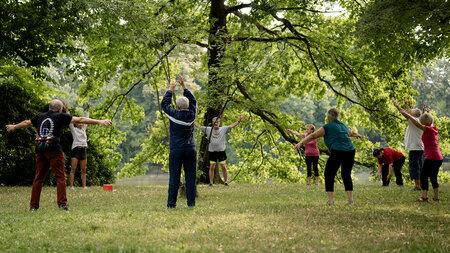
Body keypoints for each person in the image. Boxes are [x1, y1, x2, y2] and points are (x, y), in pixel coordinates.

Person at [5, 99, 112, 211]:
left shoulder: (40, 116)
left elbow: (27, 122)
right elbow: (80, 119)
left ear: (49, 108)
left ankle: (33, 206)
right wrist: (100, 121)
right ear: (60, 109)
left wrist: (14, 126)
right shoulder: (60, 116)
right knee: (60, 177)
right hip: (53, 149)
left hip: (40, 148)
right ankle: (62, 204)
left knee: (38, 178)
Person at [293, 108, 363, 205]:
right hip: (350, 150)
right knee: (346, 174)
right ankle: (350, 200)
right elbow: (352, 133)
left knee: (329, 174)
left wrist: (300, 143)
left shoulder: (327, 127)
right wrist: (358, 135)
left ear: (328, 117)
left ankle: (331, 201)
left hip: (338, 150)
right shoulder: (343, 126)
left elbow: (313, 136)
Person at [392, 98, 443, 202]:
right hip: (438, 157)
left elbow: (417, 122)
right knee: (433, 177)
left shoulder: (425, 128)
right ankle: (436, 198)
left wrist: (401, 109)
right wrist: (426, 113)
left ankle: (424, 196)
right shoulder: (434, 129)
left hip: (430, 157)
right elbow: (426, 120)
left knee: (423, 175)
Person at [161, 75, 197, 208]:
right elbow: (193, 101)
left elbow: (164, 105)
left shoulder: (174, 115)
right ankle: (191, 204)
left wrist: (170, 90)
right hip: (190, 149)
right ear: (187, 106)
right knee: (191, 178)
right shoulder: (192, 114)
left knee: (174, 178)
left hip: (176, 150)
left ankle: (171, 205)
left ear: (177, 106)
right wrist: (184, 87)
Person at [195, 115, 246, 186]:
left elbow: (232, 126)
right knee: (212, 166)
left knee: (223, 166)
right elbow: (198, 126)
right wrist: (192, 119)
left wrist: (239, 121)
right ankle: (211, 183)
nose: (216, 123)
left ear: (219, 123)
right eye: (214, 122)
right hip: (212, 151)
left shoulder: (223, 129)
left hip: (221, 151)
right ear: (213, 123)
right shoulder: (208, 129)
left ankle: (225, 182)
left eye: (217, 122)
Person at [64, 102, 91, 189]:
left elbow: (87, 119)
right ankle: (71, 186)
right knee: (73, 169)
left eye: (82, 122)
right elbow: (69, 121)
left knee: (83, 170)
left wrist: (88, 110)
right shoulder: (74, 130)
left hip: (83, 150)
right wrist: (67, 110)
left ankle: (84, 186)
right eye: (79, 122)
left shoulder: (83, 129)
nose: (81, 123)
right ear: (76, 123)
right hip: (76, 150)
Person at [401, 97, 424, 191]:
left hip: (414, 148)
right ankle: (421, 185)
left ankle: (417, 186)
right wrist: (407, 105)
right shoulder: (421, 121)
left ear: (415, 115)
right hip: (420, 147)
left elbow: (406, 113)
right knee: (420, 167)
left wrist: (399, 105)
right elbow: (411, 112)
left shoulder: (413, 121)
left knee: (414, 167)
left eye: (412, 112)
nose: (410, 112)